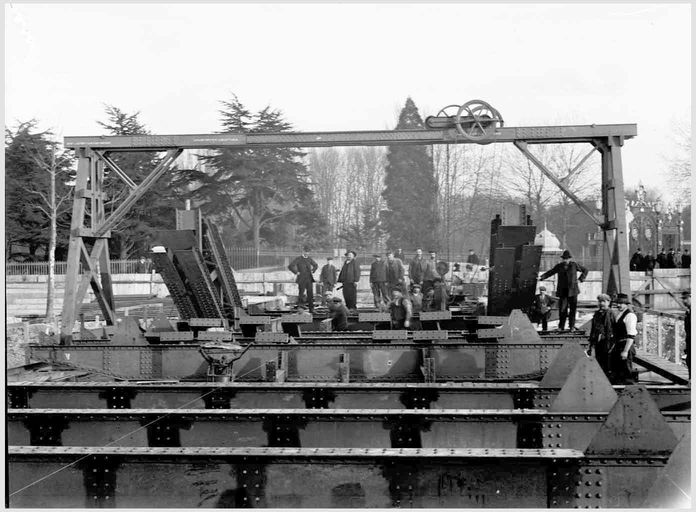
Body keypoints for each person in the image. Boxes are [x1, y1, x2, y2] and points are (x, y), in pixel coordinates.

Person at [539, 249, 588, 331]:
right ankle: (561, 327)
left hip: (573, 291)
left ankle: (571, 326)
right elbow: (550, 272)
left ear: (570, 259)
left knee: (573, 310)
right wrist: (541, 277)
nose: (566, 260)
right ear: (563, 259)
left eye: (567, 258)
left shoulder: (574, 265)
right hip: (563, 292)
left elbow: (585, 270)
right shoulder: (559, 266)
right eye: (564, 258)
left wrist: (580, 279)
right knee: (562, 310)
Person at [608, 293, 638, 385]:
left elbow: (631, 336)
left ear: (626, 304)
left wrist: (625, 351)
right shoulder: (620, 314)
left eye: (621, 303)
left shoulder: (630, 316)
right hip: (618, 345)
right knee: (617, 373)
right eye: (617, 303)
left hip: (626, 346)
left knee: (626, 373)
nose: (618, 305)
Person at [587, 294, 615, 378]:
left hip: (607, 341)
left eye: (604, 301)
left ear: (608, 302)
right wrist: (591, 344)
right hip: (598, 341)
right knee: (599, 360)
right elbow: (593, 328)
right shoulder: (597, 314)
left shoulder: (610, 313)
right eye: (600, 301)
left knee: (607, 362)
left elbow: (613, 327)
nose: (601, 303)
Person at [288, 247, 318, 313]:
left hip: (309, 279)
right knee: (301, 294)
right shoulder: (298, 259)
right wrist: (296, 272)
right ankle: (300, 309)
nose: (307, 253)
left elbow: (316, 265)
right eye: (306, 252)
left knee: (310, 294)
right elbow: (290, 266)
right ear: (303, 251)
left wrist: (313, 270)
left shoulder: (309, 259)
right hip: (301, 279)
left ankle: (311, 309)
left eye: (308, 252)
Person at [682, 291, 691, 379]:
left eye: (686, 298)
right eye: (683, 299)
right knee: (689, 361)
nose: (684, 301)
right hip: (690, 341)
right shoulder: (688, 312)